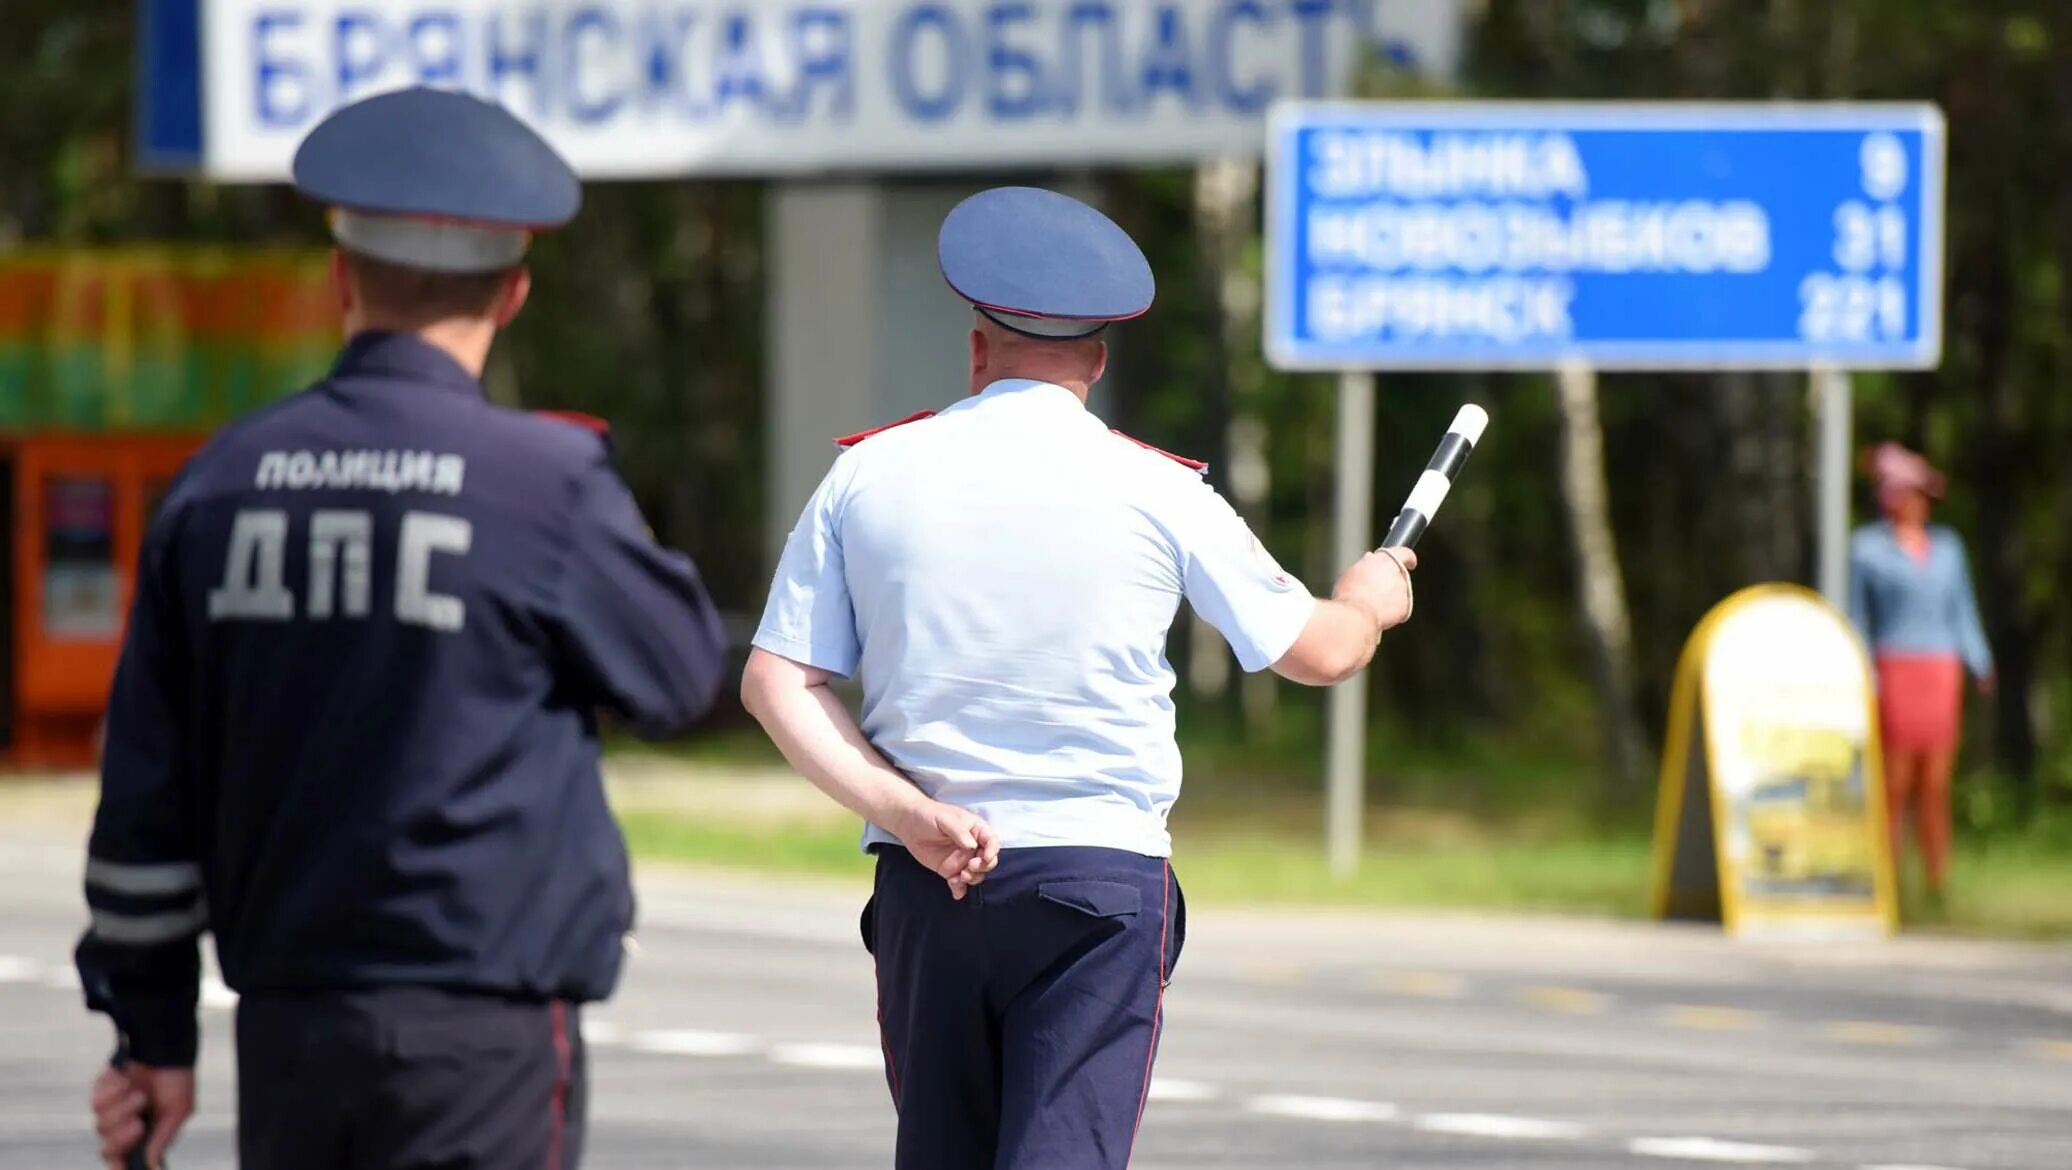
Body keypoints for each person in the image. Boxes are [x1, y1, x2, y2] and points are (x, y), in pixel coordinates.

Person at [79, 87, 728, 1170]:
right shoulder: (545, 486)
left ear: (342, 276)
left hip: (290, 1033)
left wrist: (150, 1036)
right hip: (486, 1036)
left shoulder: (218, 486)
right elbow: (678, 674)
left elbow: (144, 803)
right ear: (514, 292)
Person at [740, 186, 1416, 1170]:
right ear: (1098, 360)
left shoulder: (866, 476)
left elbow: (776, 682)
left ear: (976, 351)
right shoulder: (1158, 488)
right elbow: (1318, 653)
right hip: (1097, 885)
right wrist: (1368, 597)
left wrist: (909, 812)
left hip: (929, 880)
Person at [1848, 441, 1994, 903]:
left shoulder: (1949, 549)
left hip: (1940, 668)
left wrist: (1979, 659)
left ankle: (1936, 879)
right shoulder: (1867, 550)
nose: (1918, 504)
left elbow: (1962, 609)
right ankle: (1887, 876)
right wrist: (1863, 669)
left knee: (1935, 780)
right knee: (1895, 778)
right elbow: (1857, 616)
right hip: (1895, 665)